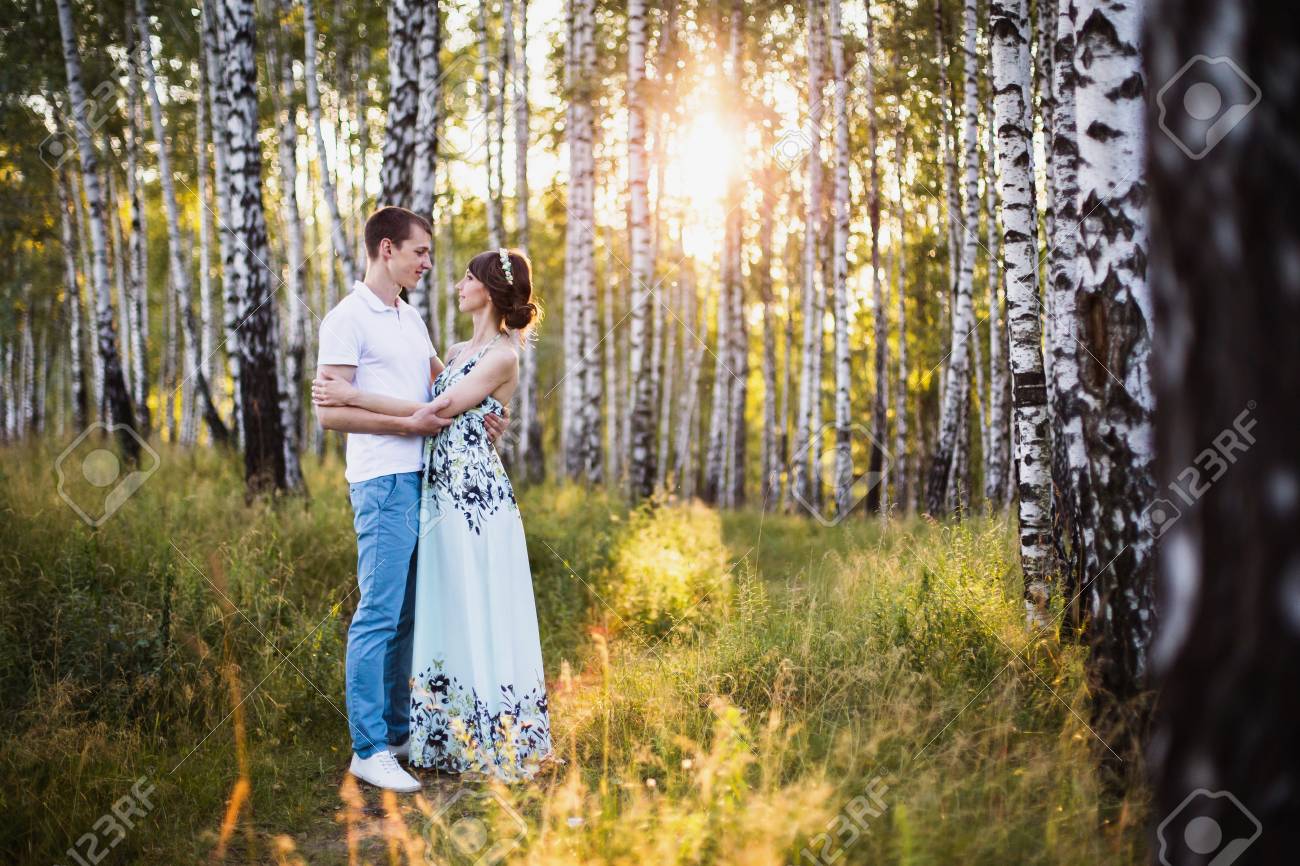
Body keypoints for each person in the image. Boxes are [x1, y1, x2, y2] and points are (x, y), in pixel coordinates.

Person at [314, 247, 554, 782]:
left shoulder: (504, 354)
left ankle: (492, 729)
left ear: (490, 290)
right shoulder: (454, 347)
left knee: (476, 603)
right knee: (442, 605)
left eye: (468, 277)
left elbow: (439, 411)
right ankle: (444, 728)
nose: (457, 283)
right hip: (437, 492)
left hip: (474, 499)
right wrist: (491, 416)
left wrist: (351, 394)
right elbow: (437, 397)